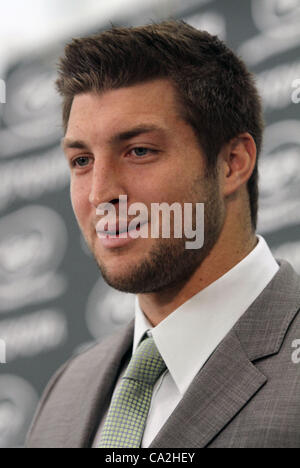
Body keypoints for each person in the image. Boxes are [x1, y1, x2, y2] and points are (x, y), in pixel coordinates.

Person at [26, 20, 300, 448]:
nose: (101, 193)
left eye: (139, 151)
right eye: (81, 160)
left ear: (232, 163)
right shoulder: (65, 392)